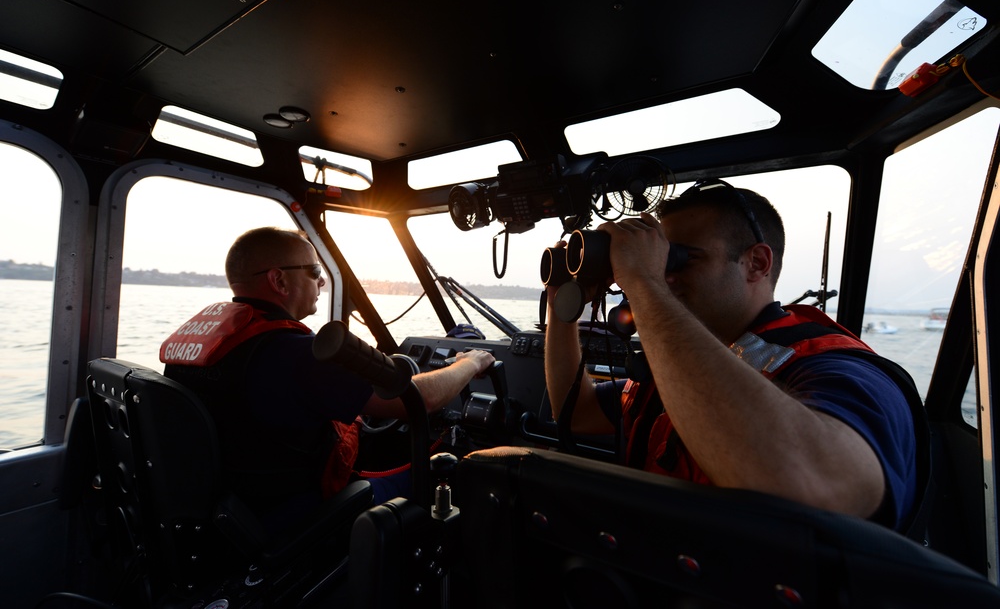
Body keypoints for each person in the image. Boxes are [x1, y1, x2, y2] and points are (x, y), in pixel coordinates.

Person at [544, 179, 920, 531]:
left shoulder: (840, 369)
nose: (664, 274)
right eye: (657, 259)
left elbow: (815, 486)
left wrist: (644, 280)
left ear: (756, 263)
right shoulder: (678, 364)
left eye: (678, 258)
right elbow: (577, 412)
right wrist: (560, 302)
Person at [161, 227, 494, 534]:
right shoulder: (298, 353)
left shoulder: (200, 348)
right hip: (295, 515)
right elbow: (418, 400)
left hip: (227, 514)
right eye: (315, 272)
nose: (321, 283)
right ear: (279, 281)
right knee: (449, 470)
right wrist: (469, 362)